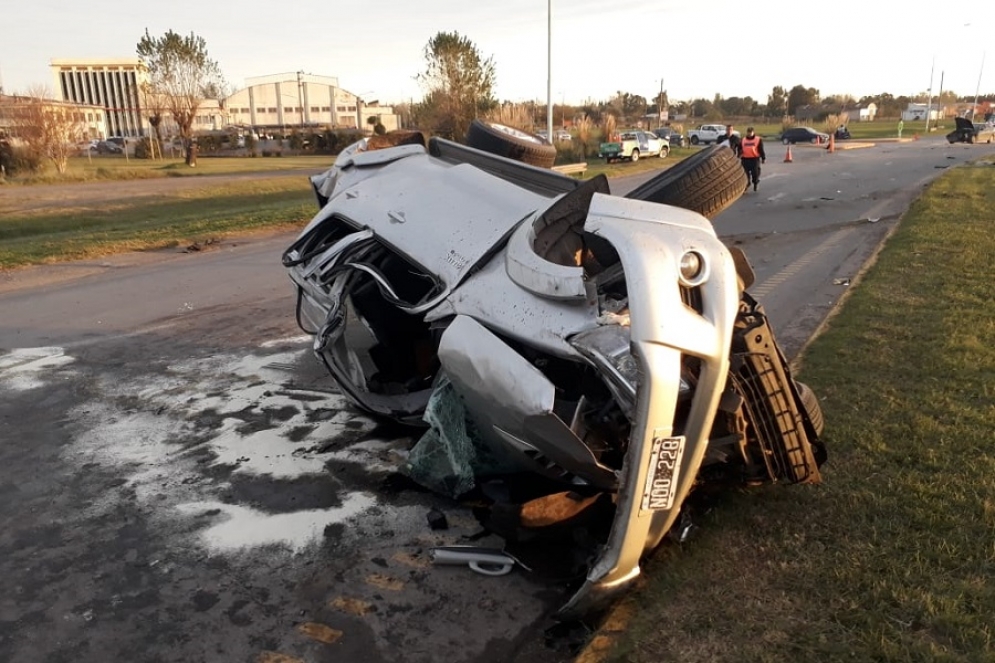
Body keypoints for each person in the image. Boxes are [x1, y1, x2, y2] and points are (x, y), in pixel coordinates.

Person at [736, 126, 766, 192]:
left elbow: (761, 149)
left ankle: (755, 183)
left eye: (751, 132)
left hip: (754, 159)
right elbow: (739, 148)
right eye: (748, 132)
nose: (749, 134)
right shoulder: (743, 140)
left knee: (755, 173)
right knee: (745, 174)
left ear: (753, 132)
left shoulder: (758, 139)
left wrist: (763, 158)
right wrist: (739, 154)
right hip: (745, 159)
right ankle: (747, 184)